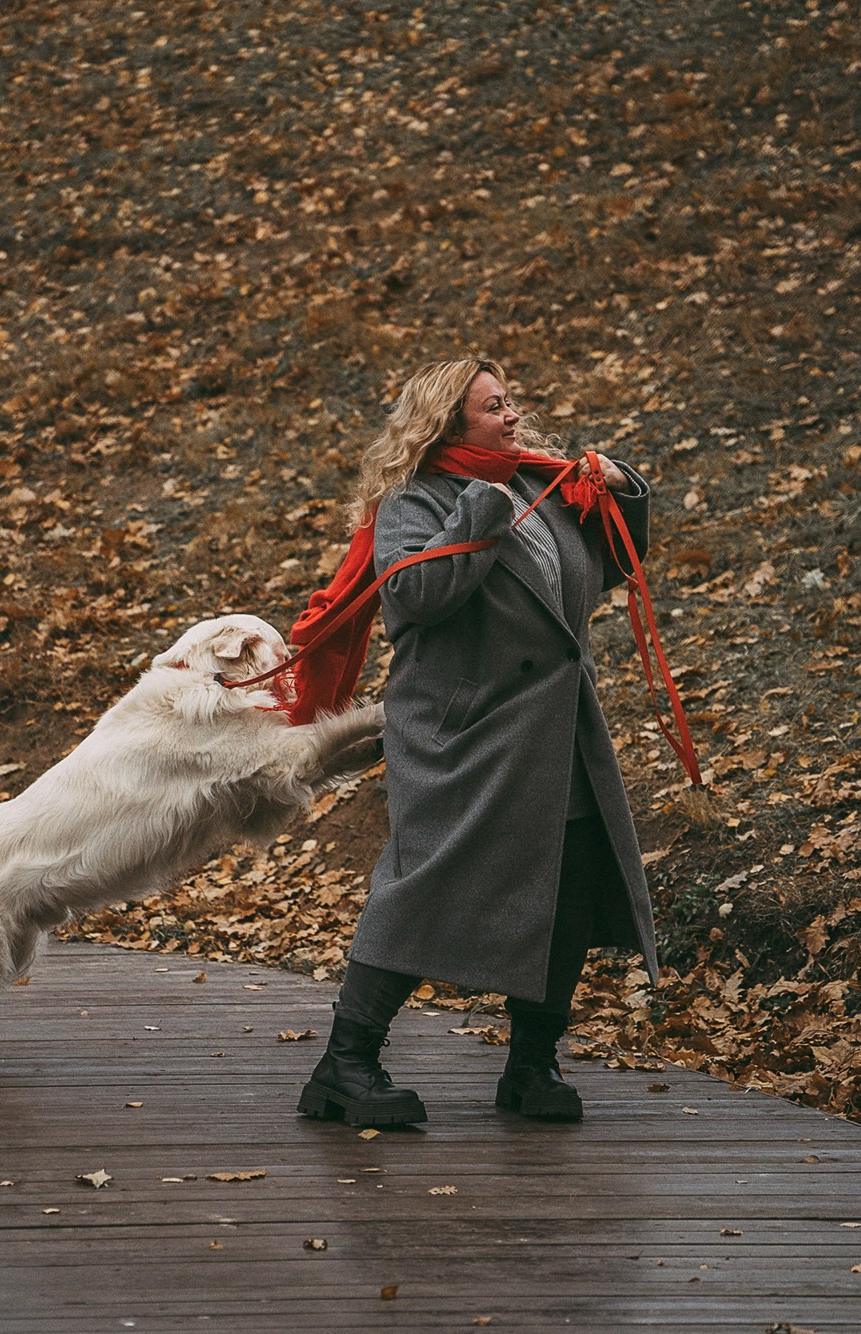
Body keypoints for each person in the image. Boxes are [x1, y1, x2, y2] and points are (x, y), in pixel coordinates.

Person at [296, 357, 659, 1125]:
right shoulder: (413, 501)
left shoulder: (537, 483)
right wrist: (479, 516)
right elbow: (414, 597)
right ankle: (344, 1065)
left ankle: (531, 1066)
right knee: (423, 888)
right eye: (494, 407)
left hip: (555, 730)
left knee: (563, 887)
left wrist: (625, 495)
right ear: (447, 423)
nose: (512, 417)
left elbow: (609, 568)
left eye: (510, 403)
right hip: (463, 736)